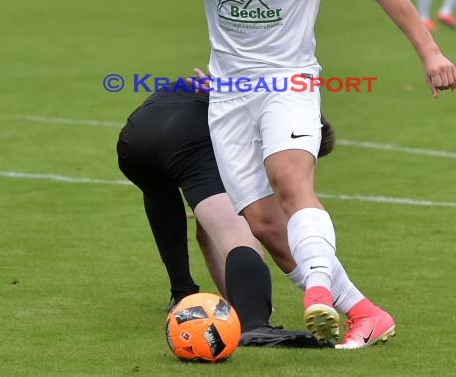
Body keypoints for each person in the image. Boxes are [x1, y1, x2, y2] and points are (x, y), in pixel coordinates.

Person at [32, 0, 456, 348]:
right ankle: (365, 313)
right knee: (263, 225)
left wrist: (431, 54)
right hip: (229, 96)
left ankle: (317, 291)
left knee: (289, 178)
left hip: (289, 81)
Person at [116, 77, 393, 349]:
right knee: (240, 233)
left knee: (162, 193)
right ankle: (256, 326)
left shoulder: (244, 85)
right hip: (191, 139)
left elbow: (205, 234)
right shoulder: (274, 123)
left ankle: (183, 293)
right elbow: (264, 227)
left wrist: (237, 300)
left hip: (135, 138)